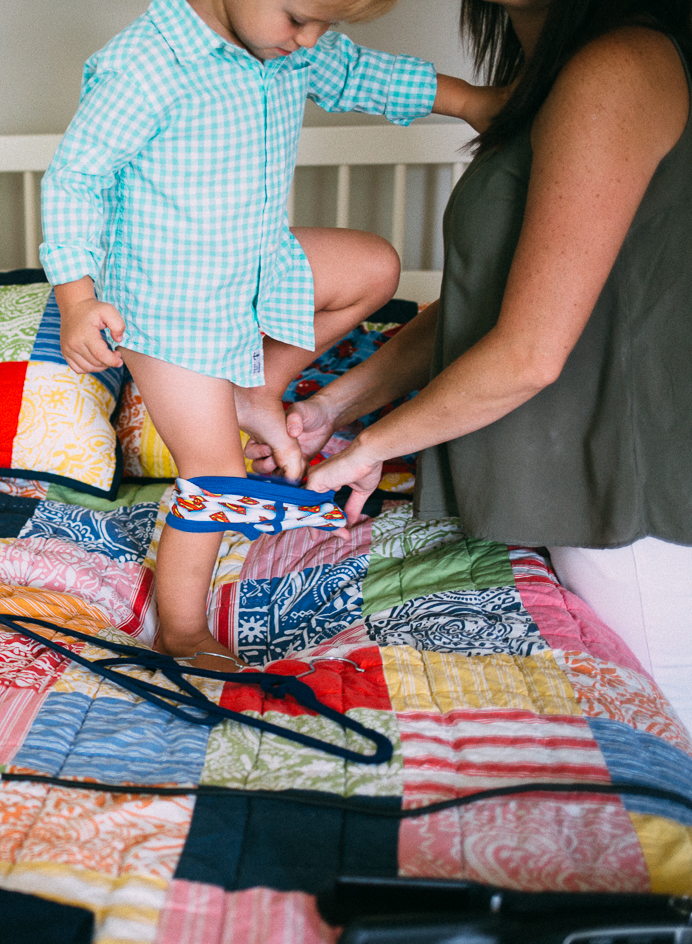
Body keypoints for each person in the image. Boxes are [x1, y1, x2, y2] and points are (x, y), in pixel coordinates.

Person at [255, 0, 692, 716]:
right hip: (573, 491)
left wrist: (368, 448)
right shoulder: (542, 81)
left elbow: (527, 353)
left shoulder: (619, 66)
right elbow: (487, 306)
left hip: (638, 511)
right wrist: (330, 407)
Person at [40, 0, 502, 664]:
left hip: (254, 265)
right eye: (297, 17)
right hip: (170, 308)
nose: (309, 40)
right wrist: (78, 297)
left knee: (373, 267)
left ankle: (261, 387)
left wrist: (477, 103)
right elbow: (76, 179)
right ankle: (182, 629)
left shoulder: (289, 44)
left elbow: (366, 75)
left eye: (325, 26)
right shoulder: (147, 64)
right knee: (216, 476)